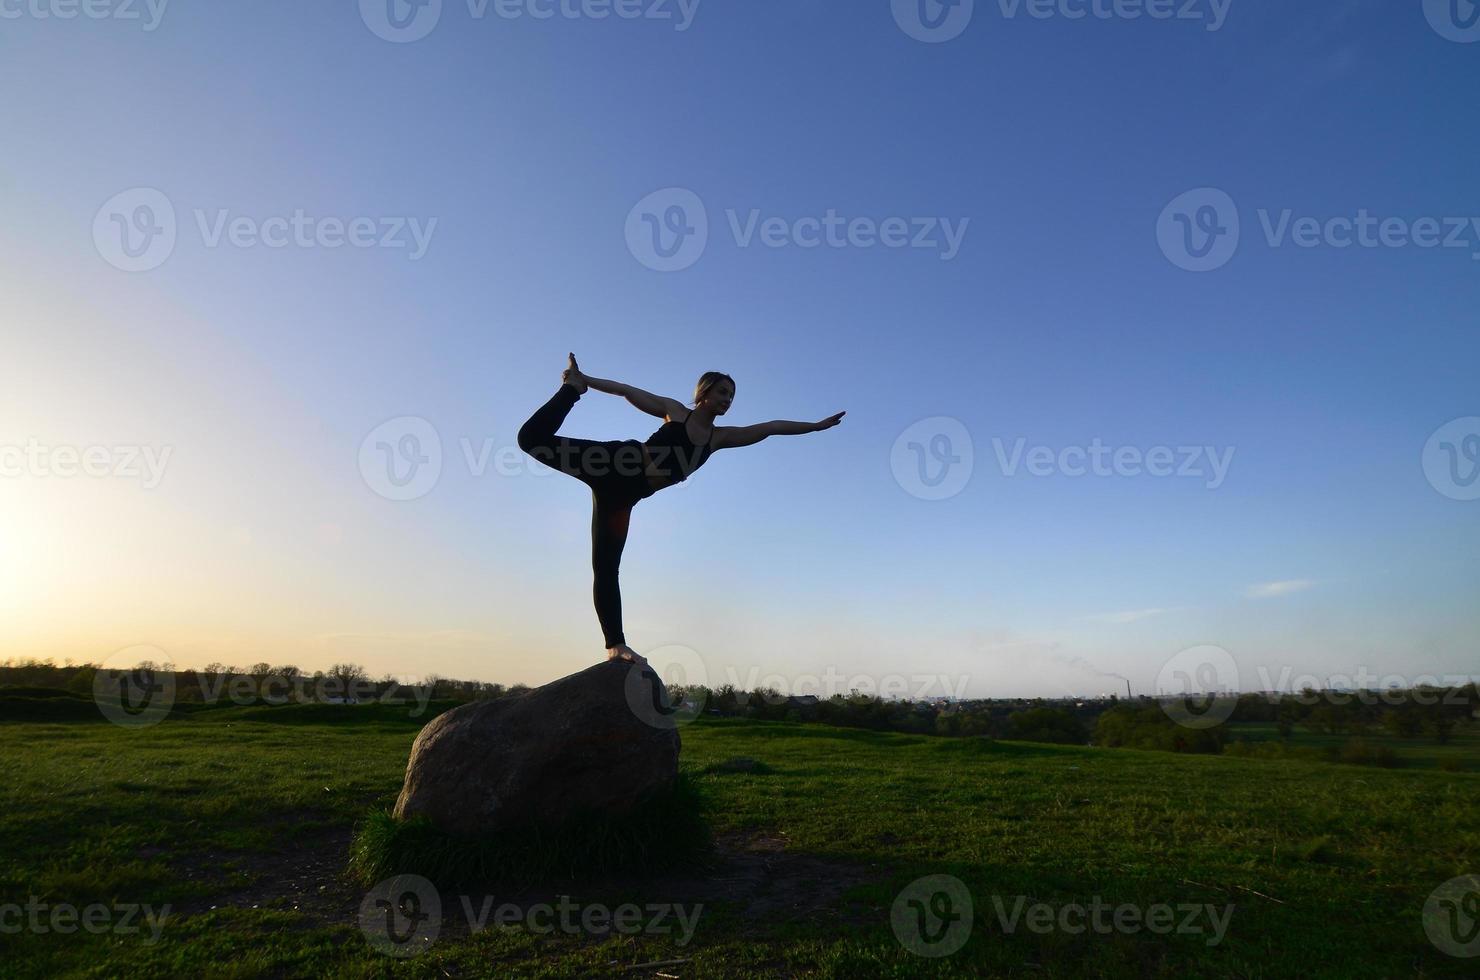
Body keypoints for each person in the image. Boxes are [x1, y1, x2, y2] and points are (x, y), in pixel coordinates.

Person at [517, 353, 846, 665]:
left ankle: (615, 645)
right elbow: (626, 391)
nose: (728, 399)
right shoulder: (675, 411)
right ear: (703, 392)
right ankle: (572, 389)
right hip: (613, 463)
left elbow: (770, 427)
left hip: (623, 498)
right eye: (722, 392)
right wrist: (583, 378)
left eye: (732, 395)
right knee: (531, 439)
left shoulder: (719, 438)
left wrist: (814, 427)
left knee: (606, 568)